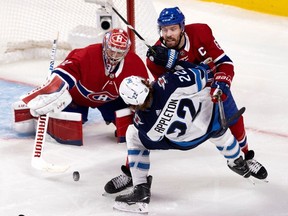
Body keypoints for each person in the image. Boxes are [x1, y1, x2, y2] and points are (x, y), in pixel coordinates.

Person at [105, 6, 267, 194]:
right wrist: (170, 64)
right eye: (164, 30)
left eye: (173, 29)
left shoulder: (201, 32)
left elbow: (225, 63)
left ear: (182, 27)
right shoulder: (155, 58)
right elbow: (169, 88)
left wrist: (222, 83)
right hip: (188, 97)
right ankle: (131, 173)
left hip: (214, 86)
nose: (168, 34)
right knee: (140, 133)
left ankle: (245, 157)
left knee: (234, 117)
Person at [113, 61, 263, 213]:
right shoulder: (170, 82)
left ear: (131, 104)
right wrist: (182, 66)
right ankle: (237, 160)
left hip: (186, 142)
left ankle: (141, 189)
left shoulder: (143, 122)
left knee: (133, 135)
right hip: (212, 120)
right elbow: (205, 72)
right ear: (145, 82)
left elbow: (156, 139)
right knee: (219, 132)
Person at [19, 28, 149, 147]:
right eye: (111, 50)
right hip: (77, 98)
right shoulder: (87, 54)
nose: (114, 56)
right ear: (104, 45)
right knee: (68, 133)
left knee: (132, 126)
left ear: (126, 51)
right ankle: (37, 116)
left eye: (119, 52)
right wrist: (51, 89)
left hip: (111, 99)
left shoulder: (134, 63)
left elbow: (145, 92)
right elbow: (66, 72)